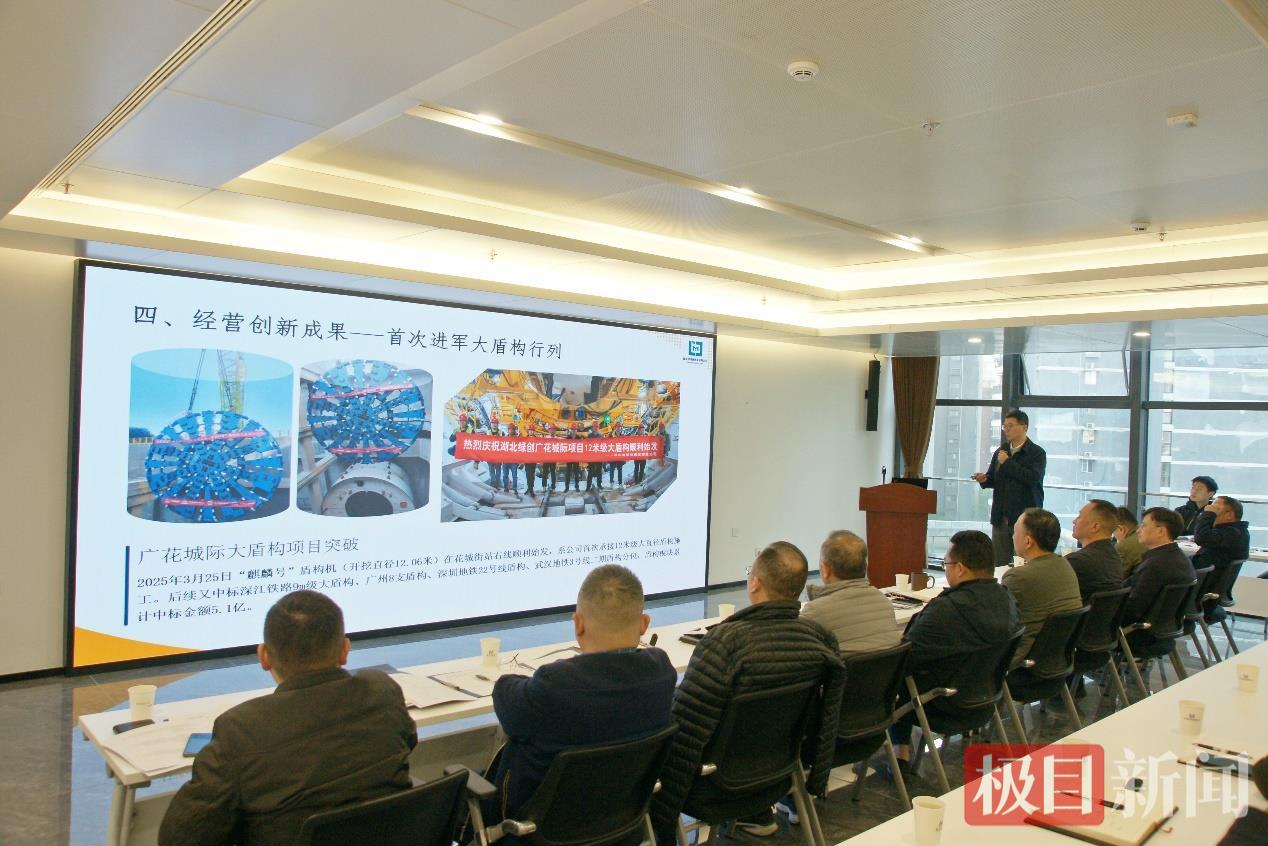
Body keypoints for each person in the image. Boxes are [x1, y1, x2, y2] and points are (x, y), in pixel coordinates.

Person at [158, 591, 416, 846]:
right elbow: (408, 741)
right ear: (344, 650)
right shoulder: (382, 691)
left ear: (264, 657)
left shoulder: (240, 731)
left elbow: (180, 839)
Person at [652, 542, 845, 838]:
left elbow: (684, 734)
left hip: (714, 788)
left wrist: (662, 809)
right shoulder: (820, 640)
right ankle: (756, 815)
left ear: (754, 583)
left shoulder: (725, 644)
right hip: (778, 777)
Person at [489, 565, 675, 821]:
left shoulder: (555, 685)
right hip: (622, 825)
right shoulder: (662, 671)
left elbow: (504, 696)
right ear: (644, 624)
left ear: (578, 624)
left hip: (536, 829)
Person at [890, 530, 1021, 767]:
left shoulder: (945, 610)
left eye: (946, 564)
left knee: (894, 676)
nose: (946, 569)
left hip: (943, 705)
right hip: (986, 699)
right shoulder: (1007, 600)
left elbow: (904, 659)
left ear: (960, 568)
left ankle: (901, 753)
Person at [1002, 508, 1082, 666]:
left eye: (1015, 532)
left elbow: (998, 624)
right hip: (1058, 660)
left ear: (1028, 541)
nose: (1012, 536)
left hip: (1022, 662)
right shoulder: (1066, 566)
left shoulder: (1018, 576)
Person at [800, 530, 900, 656]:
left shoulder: (814, 612)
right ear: (865, 566)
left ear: (825, 570)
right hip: (887, 669)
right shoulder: (883, 601)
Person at [973, 410, 1047, 566]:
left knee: (1022, 563)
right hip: (1001, 516)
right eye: (1004, 426)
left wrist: (1007, 463)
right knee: (999, 563)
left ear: (1024, 427)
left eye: (1010, 426)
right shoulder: (1001, 451)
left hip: (1025, 518)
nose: (1006, 430)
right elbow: (994, 479)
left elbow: (1032, 478)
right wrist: (984, 479)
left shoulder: (1037, 453)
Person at [1123, 507, 1196, 650]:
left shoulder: (1155, 565)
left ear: (1161, 531)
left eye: (1144, 525)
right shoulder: (1181, 558)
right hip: (1164, 628)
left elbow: (1133, 609)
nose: (1138, 530)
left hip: (1140, 633)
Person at [1065, 499, 1125, 601]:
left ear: (1095, 526)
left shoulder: (1077, 561)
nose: (1074, 521)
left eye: (1079, 517)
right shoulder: (1114, 557)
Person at [1192, 495, 1250, 576]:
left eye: (1215, 508)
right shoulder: (1237, 531)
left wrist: (1208, 514)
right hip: (1203, 577)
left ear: (1229, 515)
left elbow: (1201, 538)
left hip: (1202, 579)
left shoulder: (1232, 533)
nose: (1209, 509)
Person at [1113, 507, 1146, 578]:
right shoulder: (1145, 538)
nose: (1114, 536)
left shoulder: (1123, 546)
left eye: (1113, 531)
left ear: (1121, 529)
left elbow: (1116, 577)